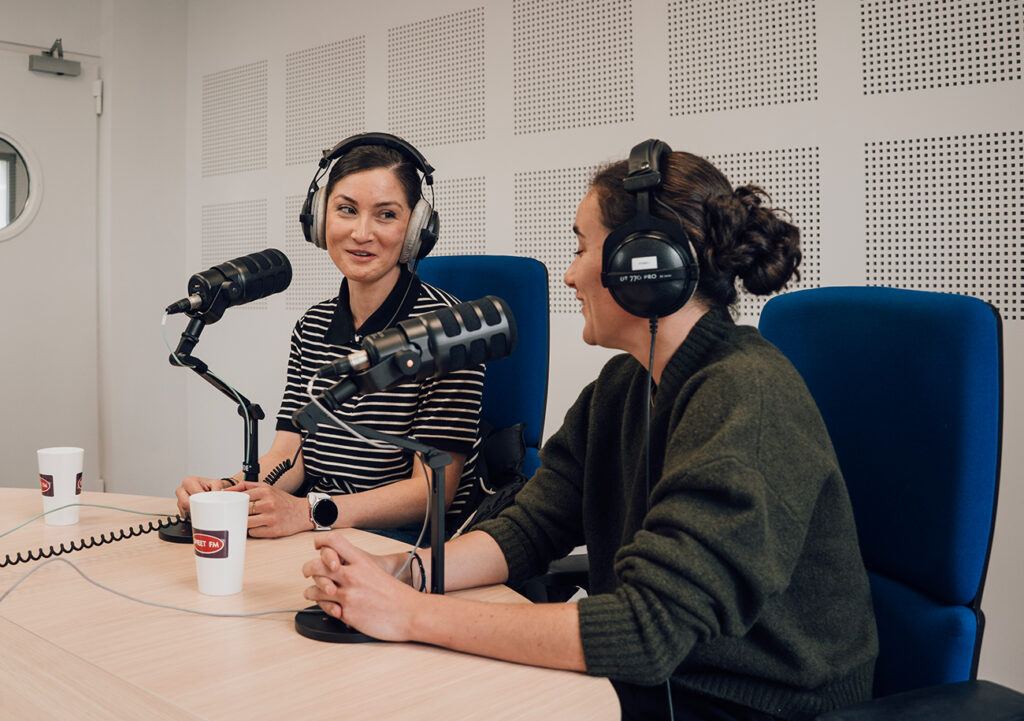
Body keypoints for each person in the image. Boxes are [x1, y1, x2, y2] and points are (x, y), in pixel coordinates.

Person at [300, 140, 878, 721]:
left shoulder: (747, 395)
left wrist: (410, 614)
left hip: (751, 704)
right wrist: (407, 574)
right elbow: (532, 525)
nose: (571, 275)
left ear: (644, 265)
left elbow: (645, 630)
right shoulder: (623, 385)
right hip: (655, 683)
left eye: (582, 248)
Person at [176, 133, 484, 543]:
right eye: (346, 210)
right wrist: (224, 493)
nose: (361, 232)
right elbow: (289, 456)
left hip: (403, 545)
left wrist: (309, 511)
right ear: (320, 219)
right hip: (317, 530)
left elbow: (431, 493)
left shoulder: (449, 329)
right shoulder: (312, 325)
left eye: (386, 215)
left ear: (416, 230)